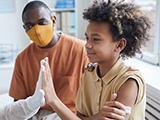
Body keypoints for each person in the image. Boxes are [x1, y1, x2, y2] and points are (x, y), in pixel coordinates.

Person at [9, 1, 126, 119]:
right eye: (29, 26)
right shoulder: (22, 59)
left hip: (69, 114)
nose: (37, 30)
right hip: (36, 114)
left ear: (53, 20)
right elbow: (18, 105)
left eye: (41, 22)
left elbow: (95, 97)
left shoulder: (81, 50)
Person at [41, 0, 151, 120]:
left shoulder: (129, 82)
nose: (87, 45)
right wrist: (97, 117)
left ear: (119, 45)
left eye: (96, 39)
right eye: (87, 38)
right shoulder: (89, 73)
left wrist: (53, 100)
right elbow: (79, 116)